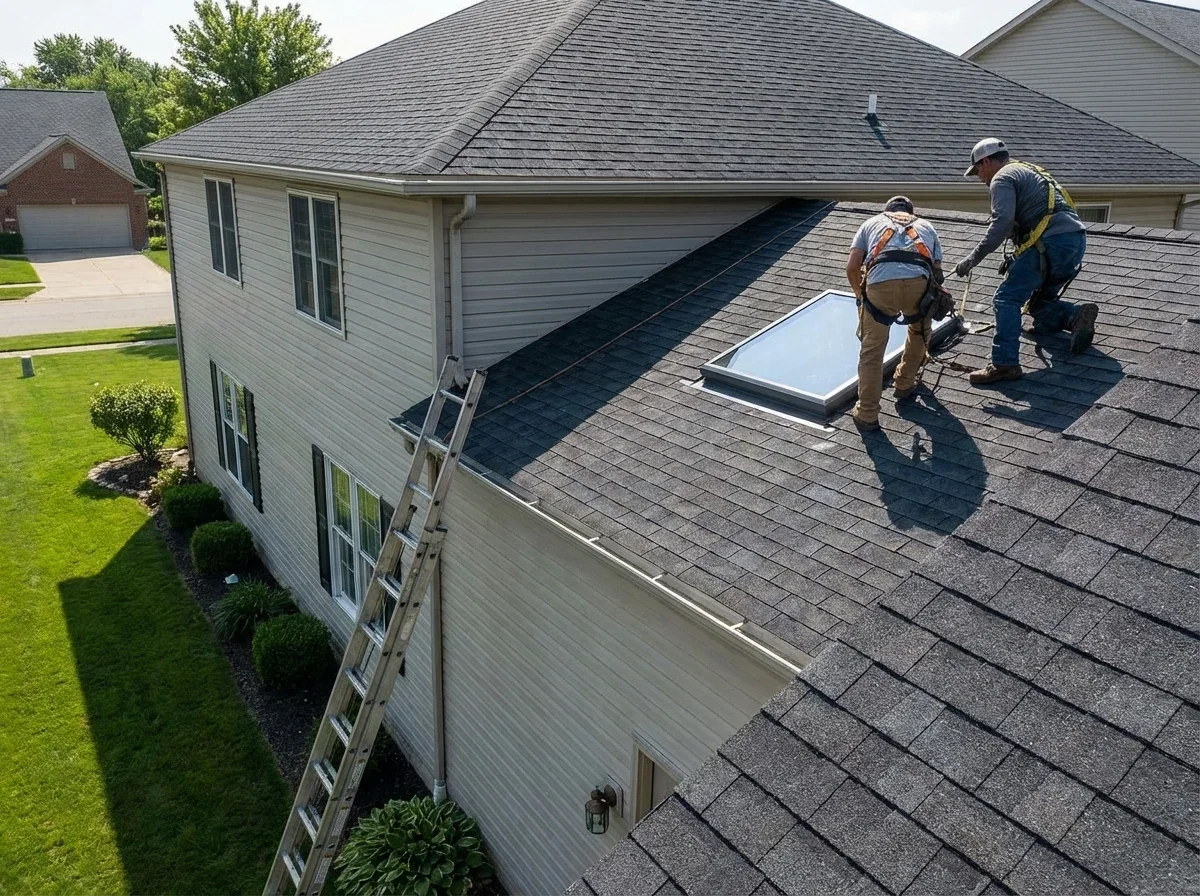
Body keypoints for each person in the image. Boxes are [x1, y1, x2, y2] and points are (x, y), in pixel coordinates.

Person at [953, 138, 1099, 386]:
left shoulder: (1001, 178)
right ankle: (1074, 316)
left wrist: (972, 259)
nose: (980, 178)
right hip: (1074, 242)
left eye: (978, 170)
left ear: (986, 161)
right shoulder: (1028, 170)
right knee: (1038, 304)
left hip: (1049, 245)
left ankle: (1004, 364)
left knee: (1006, 299)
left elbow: (1002, 223)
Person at [845, 196, 944, 432]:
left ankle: (867, 413)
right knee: (919, 332)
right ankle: (904, 383)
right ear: (911, 212)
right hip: (917, 284)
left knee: (872, 350)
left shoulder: (871, 223)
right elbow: (937, 273)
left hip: (880, 286)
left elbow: (851, 267)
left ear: (887, 211)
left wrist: (861, 296)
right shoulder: (926, 226)